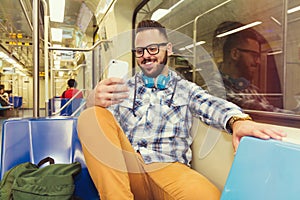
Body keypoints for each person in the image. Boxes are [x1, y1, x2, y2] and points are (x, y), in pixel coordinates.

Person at [78, 20, 286, 200]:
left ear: (168, 48)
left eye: (153, 48)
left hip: (171, 167)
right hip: (129, 167)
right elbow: (97, 131)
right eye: (140, 51)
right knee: (91, 115)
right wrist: (91, 100)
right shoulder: (122, 88)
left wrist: (237, 120)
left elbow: (210, 104)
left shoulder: (185, 89)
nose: (146, 56)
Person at [209, 22, 293, 113]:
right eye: (254, 56)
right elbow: (256, 108)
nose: (258, 62)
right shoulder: (214, 89)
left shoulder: (252, 89)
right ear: (235, 54)